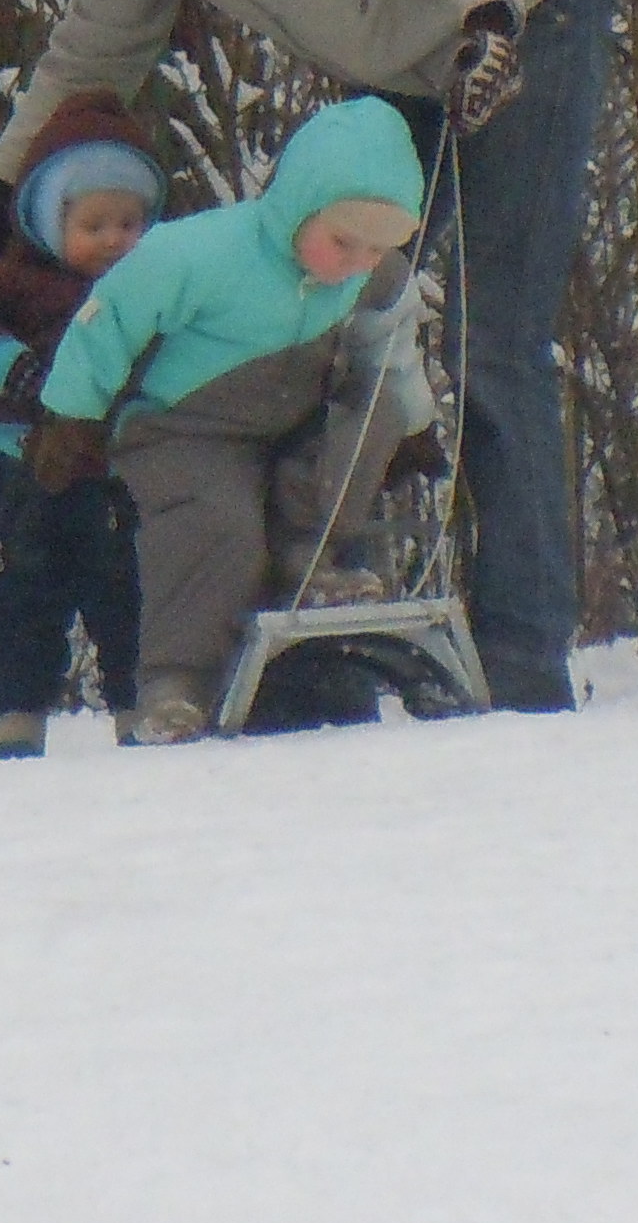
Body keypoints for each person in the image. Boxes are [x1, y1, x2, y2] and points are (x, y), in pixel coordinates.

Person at [0, 0, 609, 711]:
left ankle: (523, 664)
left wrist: (490, 16)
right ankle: (322, 653)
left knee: (492, 334)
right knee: (307, 320)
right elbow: (93, 55)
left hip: (522, 6)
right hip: (392, 66)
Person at [23, 96, 427, 745]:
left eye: (376, 248)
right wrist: (71, 414)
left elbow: (391, 346)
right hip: (184, 430)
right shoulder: (203, 254)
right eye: (343, 241)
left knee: (372, 413)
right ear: (299, 207)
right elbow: (109, 318)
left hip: (290, 423)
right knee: (219, 528)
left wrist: (414, 425)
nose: (357, 261)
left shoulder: (371, 275)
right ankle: (176, 685)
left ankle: (307, 559)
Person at [0, 93, 161, 761]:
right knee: (15, 588)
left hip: (116, 464)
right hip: (20, 460)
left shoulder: (151, 288)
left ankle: (140, 702)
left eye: (129, 223)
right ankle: (16, 712)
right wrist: (9, 366)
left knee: (131, 586)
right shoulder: (8, 282)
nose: (113, 240)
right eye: (94, 225)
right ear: (51, 221)